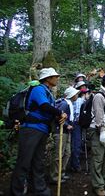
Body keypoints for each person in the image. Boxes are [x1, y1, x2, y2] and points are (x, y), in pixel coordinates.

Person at [10, 68, 67, 196]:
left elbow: (47, 111)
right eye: (55, 76)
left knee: (38, 161)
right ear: (48, 78)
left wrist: (58, 117)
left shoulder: (48, 92)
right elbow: (44, 106)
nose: (57, 78)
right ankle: (17, 191)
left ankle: (39, 189)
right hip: (31, 129)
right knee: (24, 161)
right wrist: (60, 113)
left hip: (42, 129)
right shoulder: (39, 89)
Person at [50, 86, 79, 183]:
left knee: (67, 153)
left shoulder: (69, 104)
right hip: (60, 131)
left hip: (66, 132)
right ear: (71, 95)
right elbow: (58, 116)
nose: (77, 95)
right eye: (75, 94)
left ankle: (61, 173)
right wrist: (66, 125)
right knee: (59, 154)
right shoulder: (64, 104)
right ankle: (55, 176)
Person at [70, 82, 89, 172]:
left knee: (77, 143)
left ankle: (75, 163)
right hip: (76, 123)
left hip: (77, 123)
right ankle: (75, 165)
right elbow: (77, 114)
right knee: (76, 144)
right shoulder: (79, 101)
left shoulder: (80, 100)